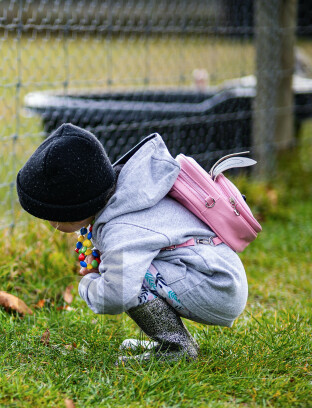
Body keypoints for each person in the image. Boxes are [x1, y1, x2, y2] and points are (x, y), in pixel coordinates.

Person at [16, 123, 248, 361]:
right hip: (216, 273)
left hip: (217, 286)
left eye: (49, 216)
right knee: (124, 268)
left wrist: (88, 284)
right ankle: (172, 341)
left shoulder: (121, 228)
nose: (48, 222)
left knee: (123, 277)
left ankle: (177, 349)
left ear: (71, 210)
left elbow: (117, 294)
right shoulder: (129, 192)